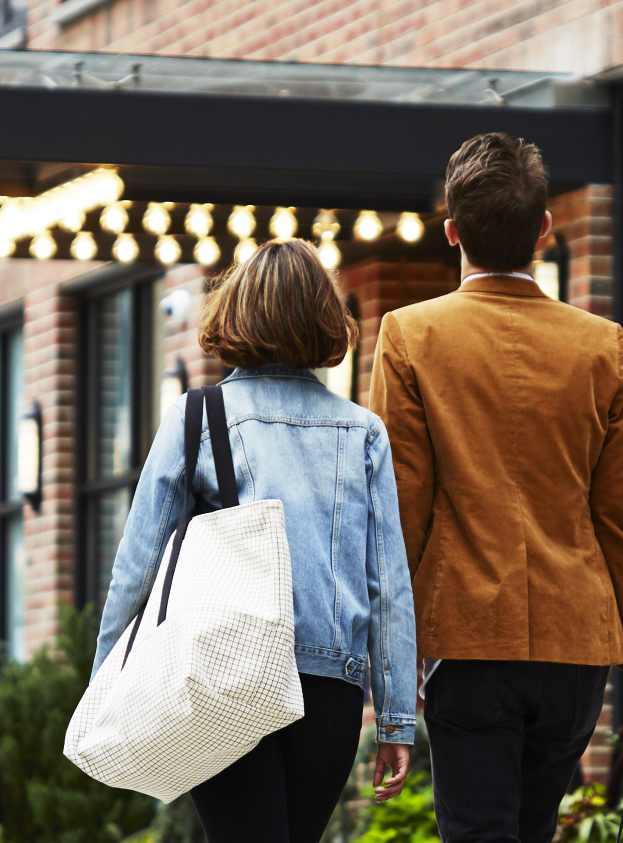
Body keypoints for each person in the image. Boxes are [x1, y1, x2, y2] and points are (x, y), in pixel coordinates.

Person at [368, 132, 623, 843]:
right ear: (544, 229)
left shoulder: (410, 335)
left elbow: (401, 512)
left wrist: (392, 659)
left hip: (468, 641)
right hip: (577, 650)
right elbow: (622, 519)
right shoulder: (601, 345)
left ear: (451, 230)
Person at [90, 239, 418, 843]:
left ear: (234, 313)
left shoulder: (195, 418)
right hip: (329, 694)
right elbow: (390, 585)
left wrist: (104, 685)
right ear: (325, 318)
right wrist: (396, 721)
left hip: (223, 678)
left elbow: (136, 569)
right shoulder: (362, 431)